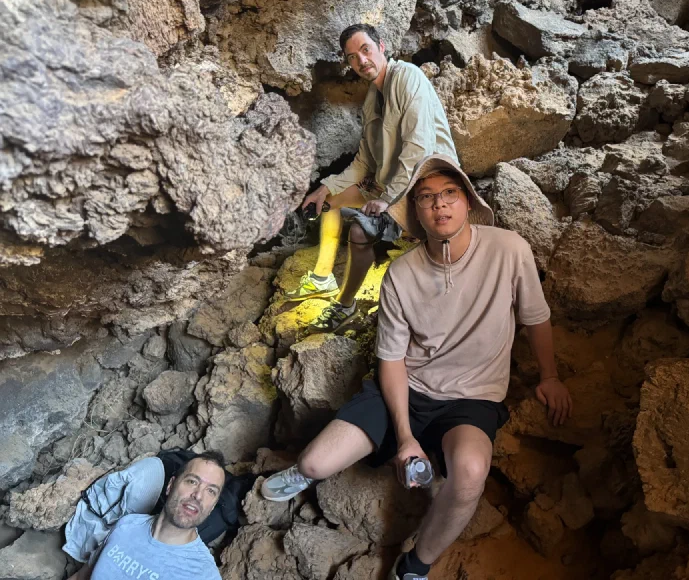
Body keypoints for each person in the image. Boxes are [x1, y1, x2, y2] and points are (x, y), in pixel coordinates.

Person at [262, 154, 573, 580]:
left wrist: (550, 376)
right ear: (416, 213)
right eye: (426, 198)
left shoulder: (509, 249)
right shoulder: (401, 274)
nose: (439, 206)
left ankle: (416, 565)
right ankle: (302, 474)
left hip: (471, 398)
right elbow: (391, 360)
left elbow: (536, 316)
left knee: (469, 473)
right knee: (315, 464)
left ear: (467, 202)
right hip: (407, 387)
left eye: (449, 194)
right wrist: (406, 438)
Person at [287, 23, 458, 334]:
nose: (361, 61)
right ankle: (323, 278)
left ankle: (346, 305)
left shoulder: (407, 77)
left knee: (360, 234)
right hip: (388, 183)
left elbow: (417, 148)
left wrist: (386, 198)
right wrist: (326, 188)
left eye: (365, 50)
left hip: (425, 182)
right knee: (331, 204)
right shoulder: (371, 98)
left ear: (381, 47)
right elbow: (364, 160)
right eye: (352, 57)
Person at [68, 452, 226, 580]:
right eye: (192, 481)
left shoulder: (203, 574)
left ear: (212, 506)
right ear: (170, 486)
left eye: (211, 491)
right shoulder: (126, 525)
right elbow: (81, 577)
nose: (198, 495)